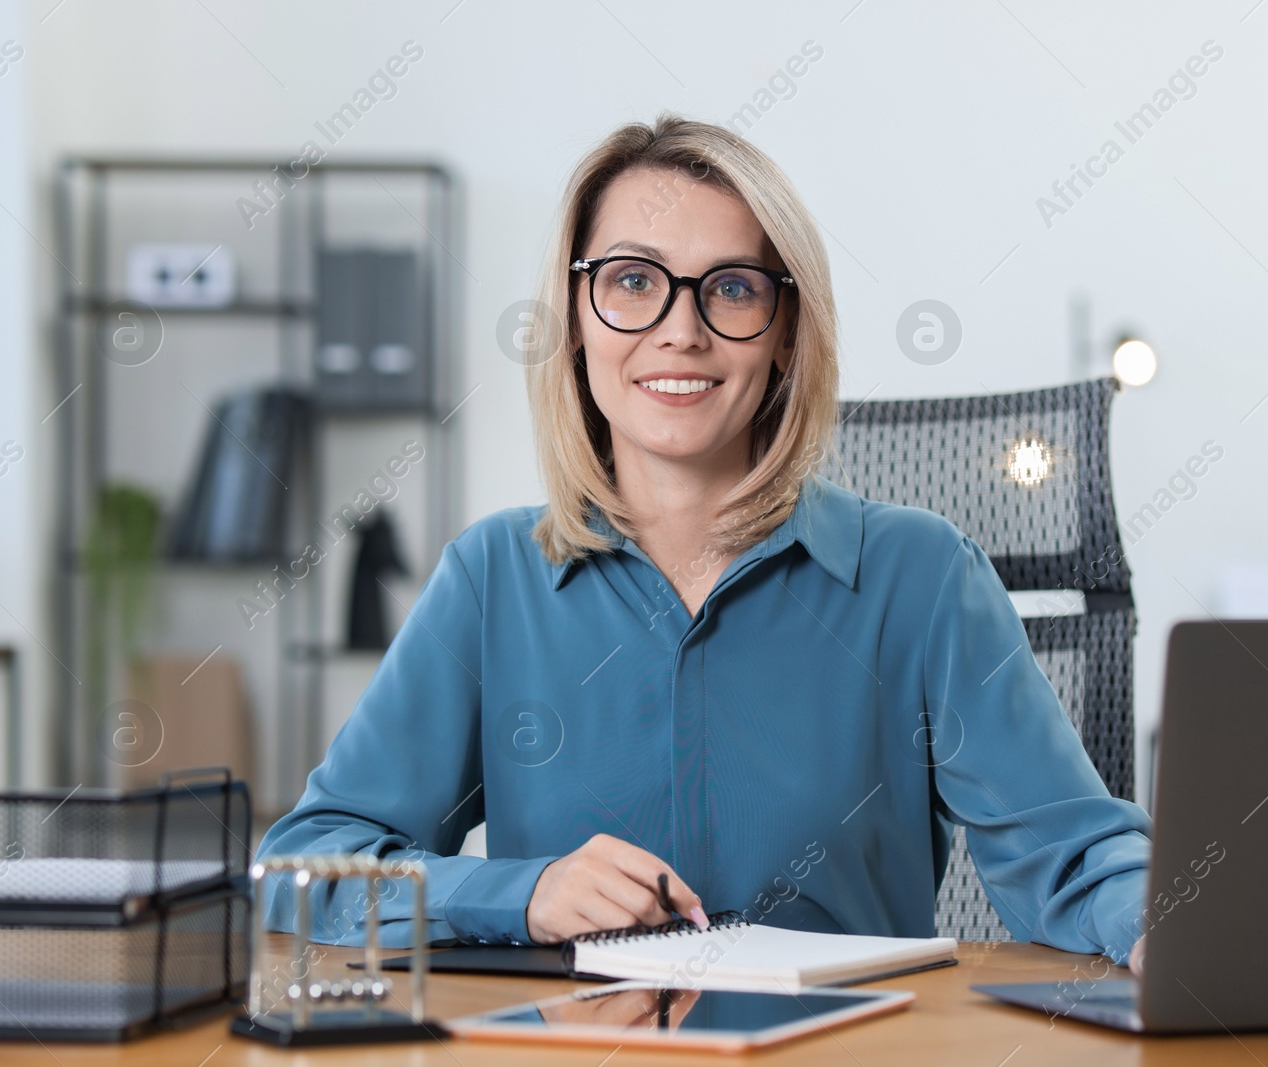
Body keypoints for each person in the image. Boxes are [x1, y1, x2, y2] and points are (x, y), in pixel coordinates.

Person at [257, 113, 1151, 969]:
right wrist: (520, 894)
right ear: (576, 317)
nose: (679, 330)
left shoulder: (921, 576)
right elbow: (306, 872)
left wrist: (1163, 928)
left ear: (785, 332)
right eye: (634, 281)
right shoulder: (492, 579)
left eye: (730, 287)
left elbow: (1074, 855)